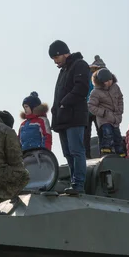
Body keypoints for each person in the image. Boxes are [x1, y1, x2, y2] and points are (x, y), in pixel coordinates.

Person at [49, 40, 90, 195]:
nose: (55, 61)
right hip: (63, 119)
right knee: (67, 152)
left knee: (76, 150)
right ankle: (74, 182)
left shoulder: (79, 65)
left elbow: (81, 88)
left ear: (64, 53)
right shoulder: (63, 70)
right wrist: (56, 109)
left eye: (56, 57)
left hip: (75, 117)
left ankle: (79, 184)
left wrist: (64, 103)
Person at [88, 68, 125, 156]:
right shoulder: (96, 92)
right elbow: (91, 106)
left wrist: (120, 110)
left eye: (110, 80)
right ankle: (106, 152)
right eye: (106, 81)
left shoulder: (115, 87)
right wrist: (103, 113)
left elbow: (120, 98)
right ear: (101, 82)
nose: (109, 82)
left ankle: (120, 153)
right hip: (104, 119)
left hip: (115, 117)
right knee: (107, 135)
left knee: (117, 137)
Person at [86, 55, 106, 157]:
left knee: (90, 133)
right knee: (100, 133)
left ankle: (88, 155)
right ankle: (102, 153)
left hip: (91, 109)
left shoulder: (88, 78)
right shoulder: (101, 79)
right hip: (95, 109)